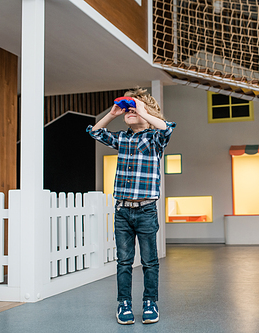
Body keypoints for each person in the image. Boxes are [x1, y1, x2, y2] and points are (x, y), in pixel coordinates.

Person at [86, 87, 176, 325]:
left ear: (149, 113)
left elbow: (166, 128)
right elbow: (95, 132)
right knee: (124, 261)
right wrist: (113, 114)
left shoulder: (154, 139)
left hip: (146, 210)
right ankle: (123, 303)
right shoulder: (123, 138)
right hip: (122, 211)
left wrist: (142, 110)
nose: (130, 111)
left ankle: (150, 302)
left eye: (135, 109)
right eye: (129, 110)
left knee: (149, 261)